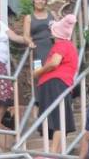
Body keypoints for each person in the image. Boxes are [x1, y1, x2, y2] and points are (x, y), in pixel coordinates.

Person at [33, 14, 78, 150]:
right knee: (57, 116)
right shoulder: (67, 46)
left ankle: (52, 152)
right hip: (58, 83)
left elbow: (54, 63)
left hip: (55, 83)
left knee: (57, 117)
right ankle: (54, 150)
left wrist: (38, 72)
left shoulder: (62, 44)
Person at [23, 0, 56, 69]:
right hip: (37, 49)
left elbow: (60, 30)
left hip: (52, 46)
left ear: (46, 2)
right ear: (33, 1)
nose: (40, 1)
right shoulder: (29, 18)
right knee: (40, 73)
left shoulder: (52, 14)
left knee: (55, 71)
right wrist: (29, 42)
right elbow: (26, 35)